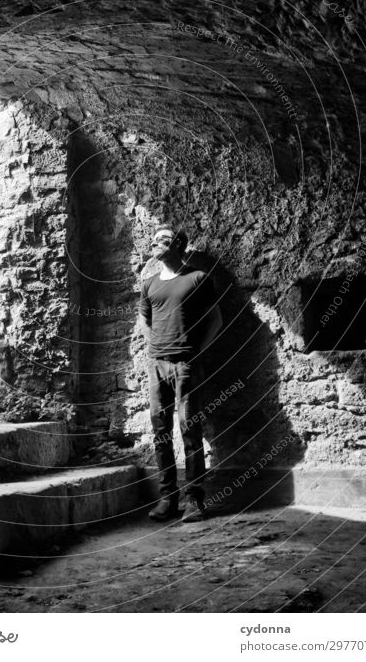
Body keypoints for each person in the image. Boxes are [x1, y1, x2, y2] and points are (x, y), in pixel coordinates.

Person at [139, 223, 222, 522]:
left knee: (190, 430)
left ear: (178, 245)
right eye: (154, 240)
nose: (154, 244)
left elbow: (215, 319)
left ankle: (194, 501)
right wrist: (156, 347)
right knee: (161, 431)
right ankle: (167, 499)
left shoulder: (198, 278)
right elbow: (145, 320)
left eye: (161, 240)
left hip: (186, 364)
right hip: (156, 364)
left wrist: (197, 351)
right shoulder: (148, 283)